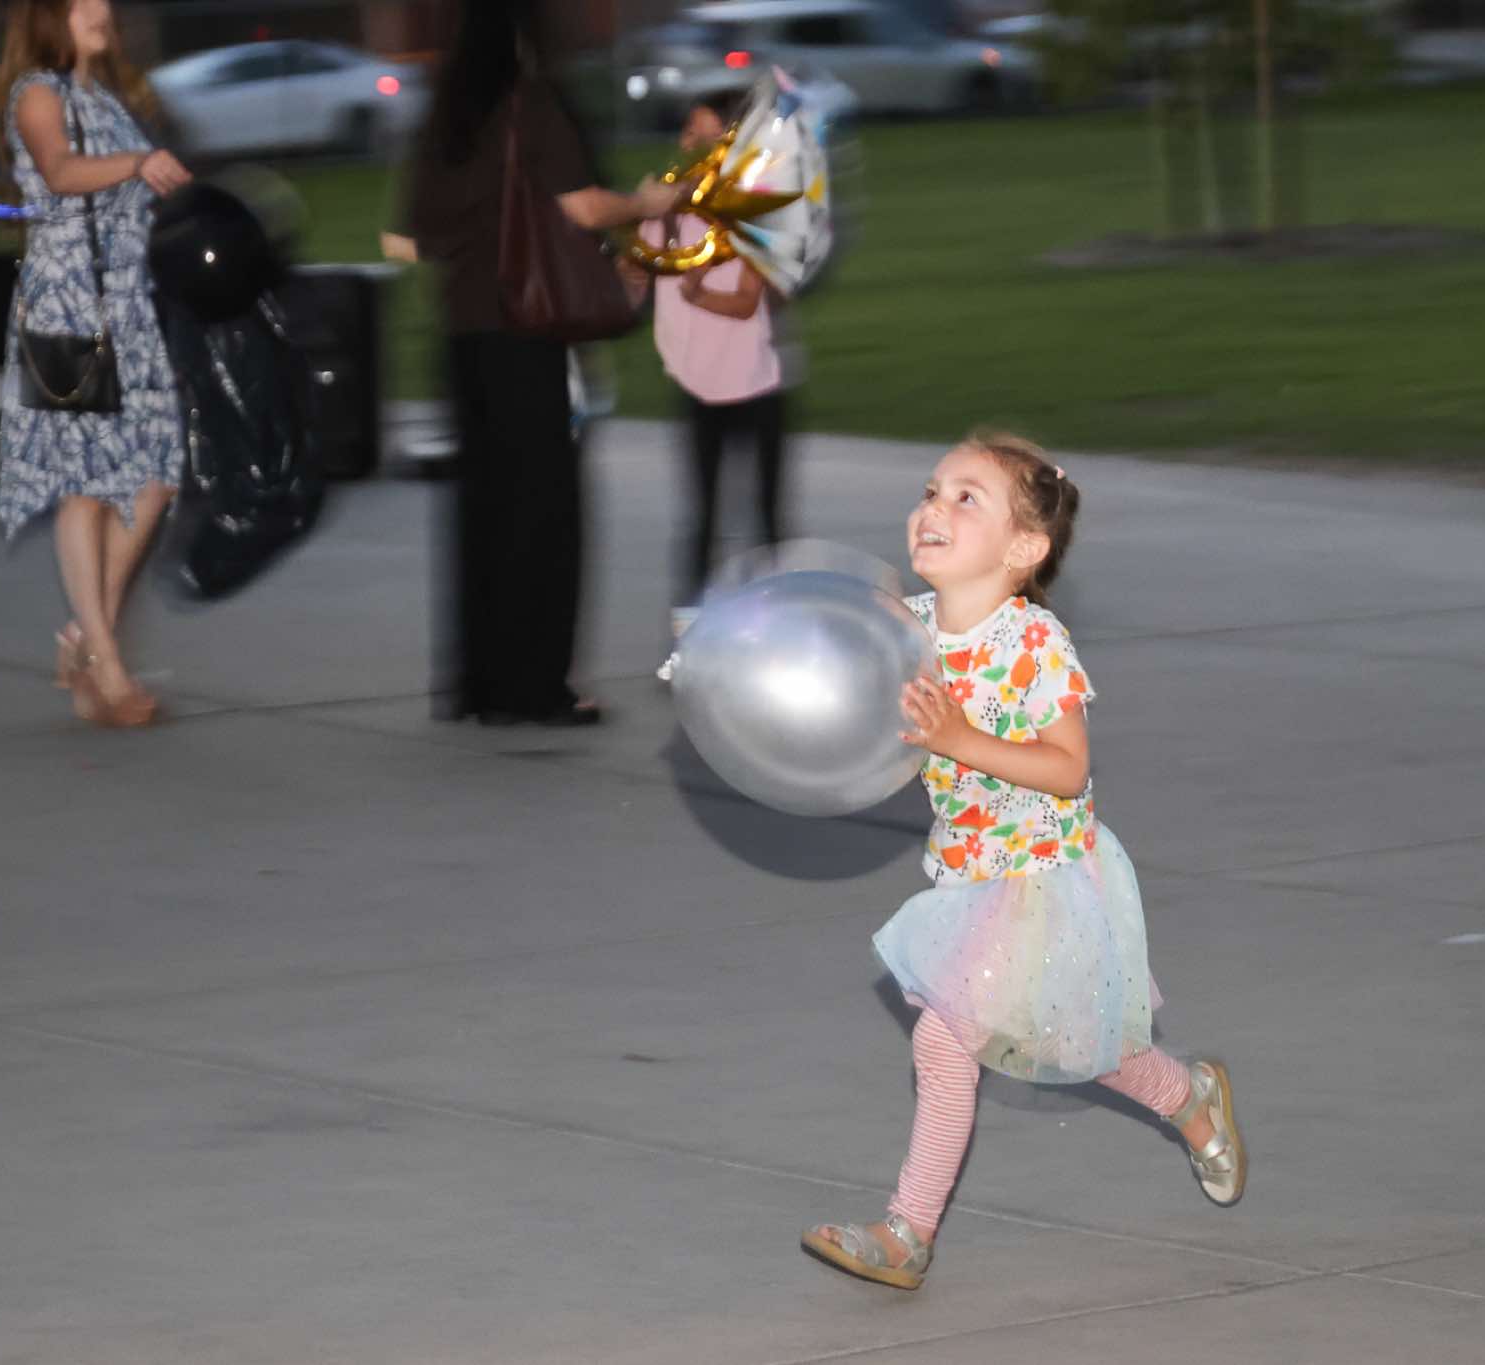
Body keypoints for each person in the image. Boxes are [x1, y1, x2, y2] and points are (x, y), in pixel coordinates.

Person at [801, 433, 1247, 1291]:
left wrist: (958, 737)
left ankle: (907, 1231)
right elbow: (842, 673)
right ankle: (1189, 1097)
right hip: (970, 875)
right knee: (1085, 1044)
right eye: (930, 490)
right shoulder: (908, 627)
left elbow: (1068, 767)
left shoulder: (1034, 642)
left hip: (1045, 876)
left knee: (945, 1040)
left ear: (1023, 549)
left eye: (966, 497)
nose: (934, 507)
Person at [395, 0, 682, 727]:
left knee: (482, 512)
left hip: (462, 331)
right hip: (525, 328)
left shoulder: (447, 115)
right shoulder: (532, 101)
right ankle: (535, 688)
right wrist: (646, 202)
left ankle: (475, 682)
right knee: (543, 513)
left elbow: (411, 235)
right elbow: (582, 208)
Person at [0, 0, 191, 727]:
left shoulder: (108, 101)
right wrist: (138, 163)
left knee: (156, 474)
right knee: (86, 489)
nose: (103, 10)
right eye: (84, 1)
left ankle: (82, 638)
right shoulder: (37, 92)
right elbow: (60, 172)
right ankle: (108, 667)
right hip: (65, 309)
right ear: (49, 17)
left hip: (129, 308)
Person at [632, 91, 792, 635]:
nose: (690, 144)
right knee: (700, 519)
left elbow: (747, 302)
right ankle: (691, 633)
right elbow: (634, 281)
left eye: (705, 135)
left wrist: (697, 294)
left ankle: (782, 627)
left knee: (767, 519)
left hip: (755, 385)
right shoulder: (667, 218)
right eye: (689, 133)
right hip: (694, 383)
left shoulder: (751, 215)